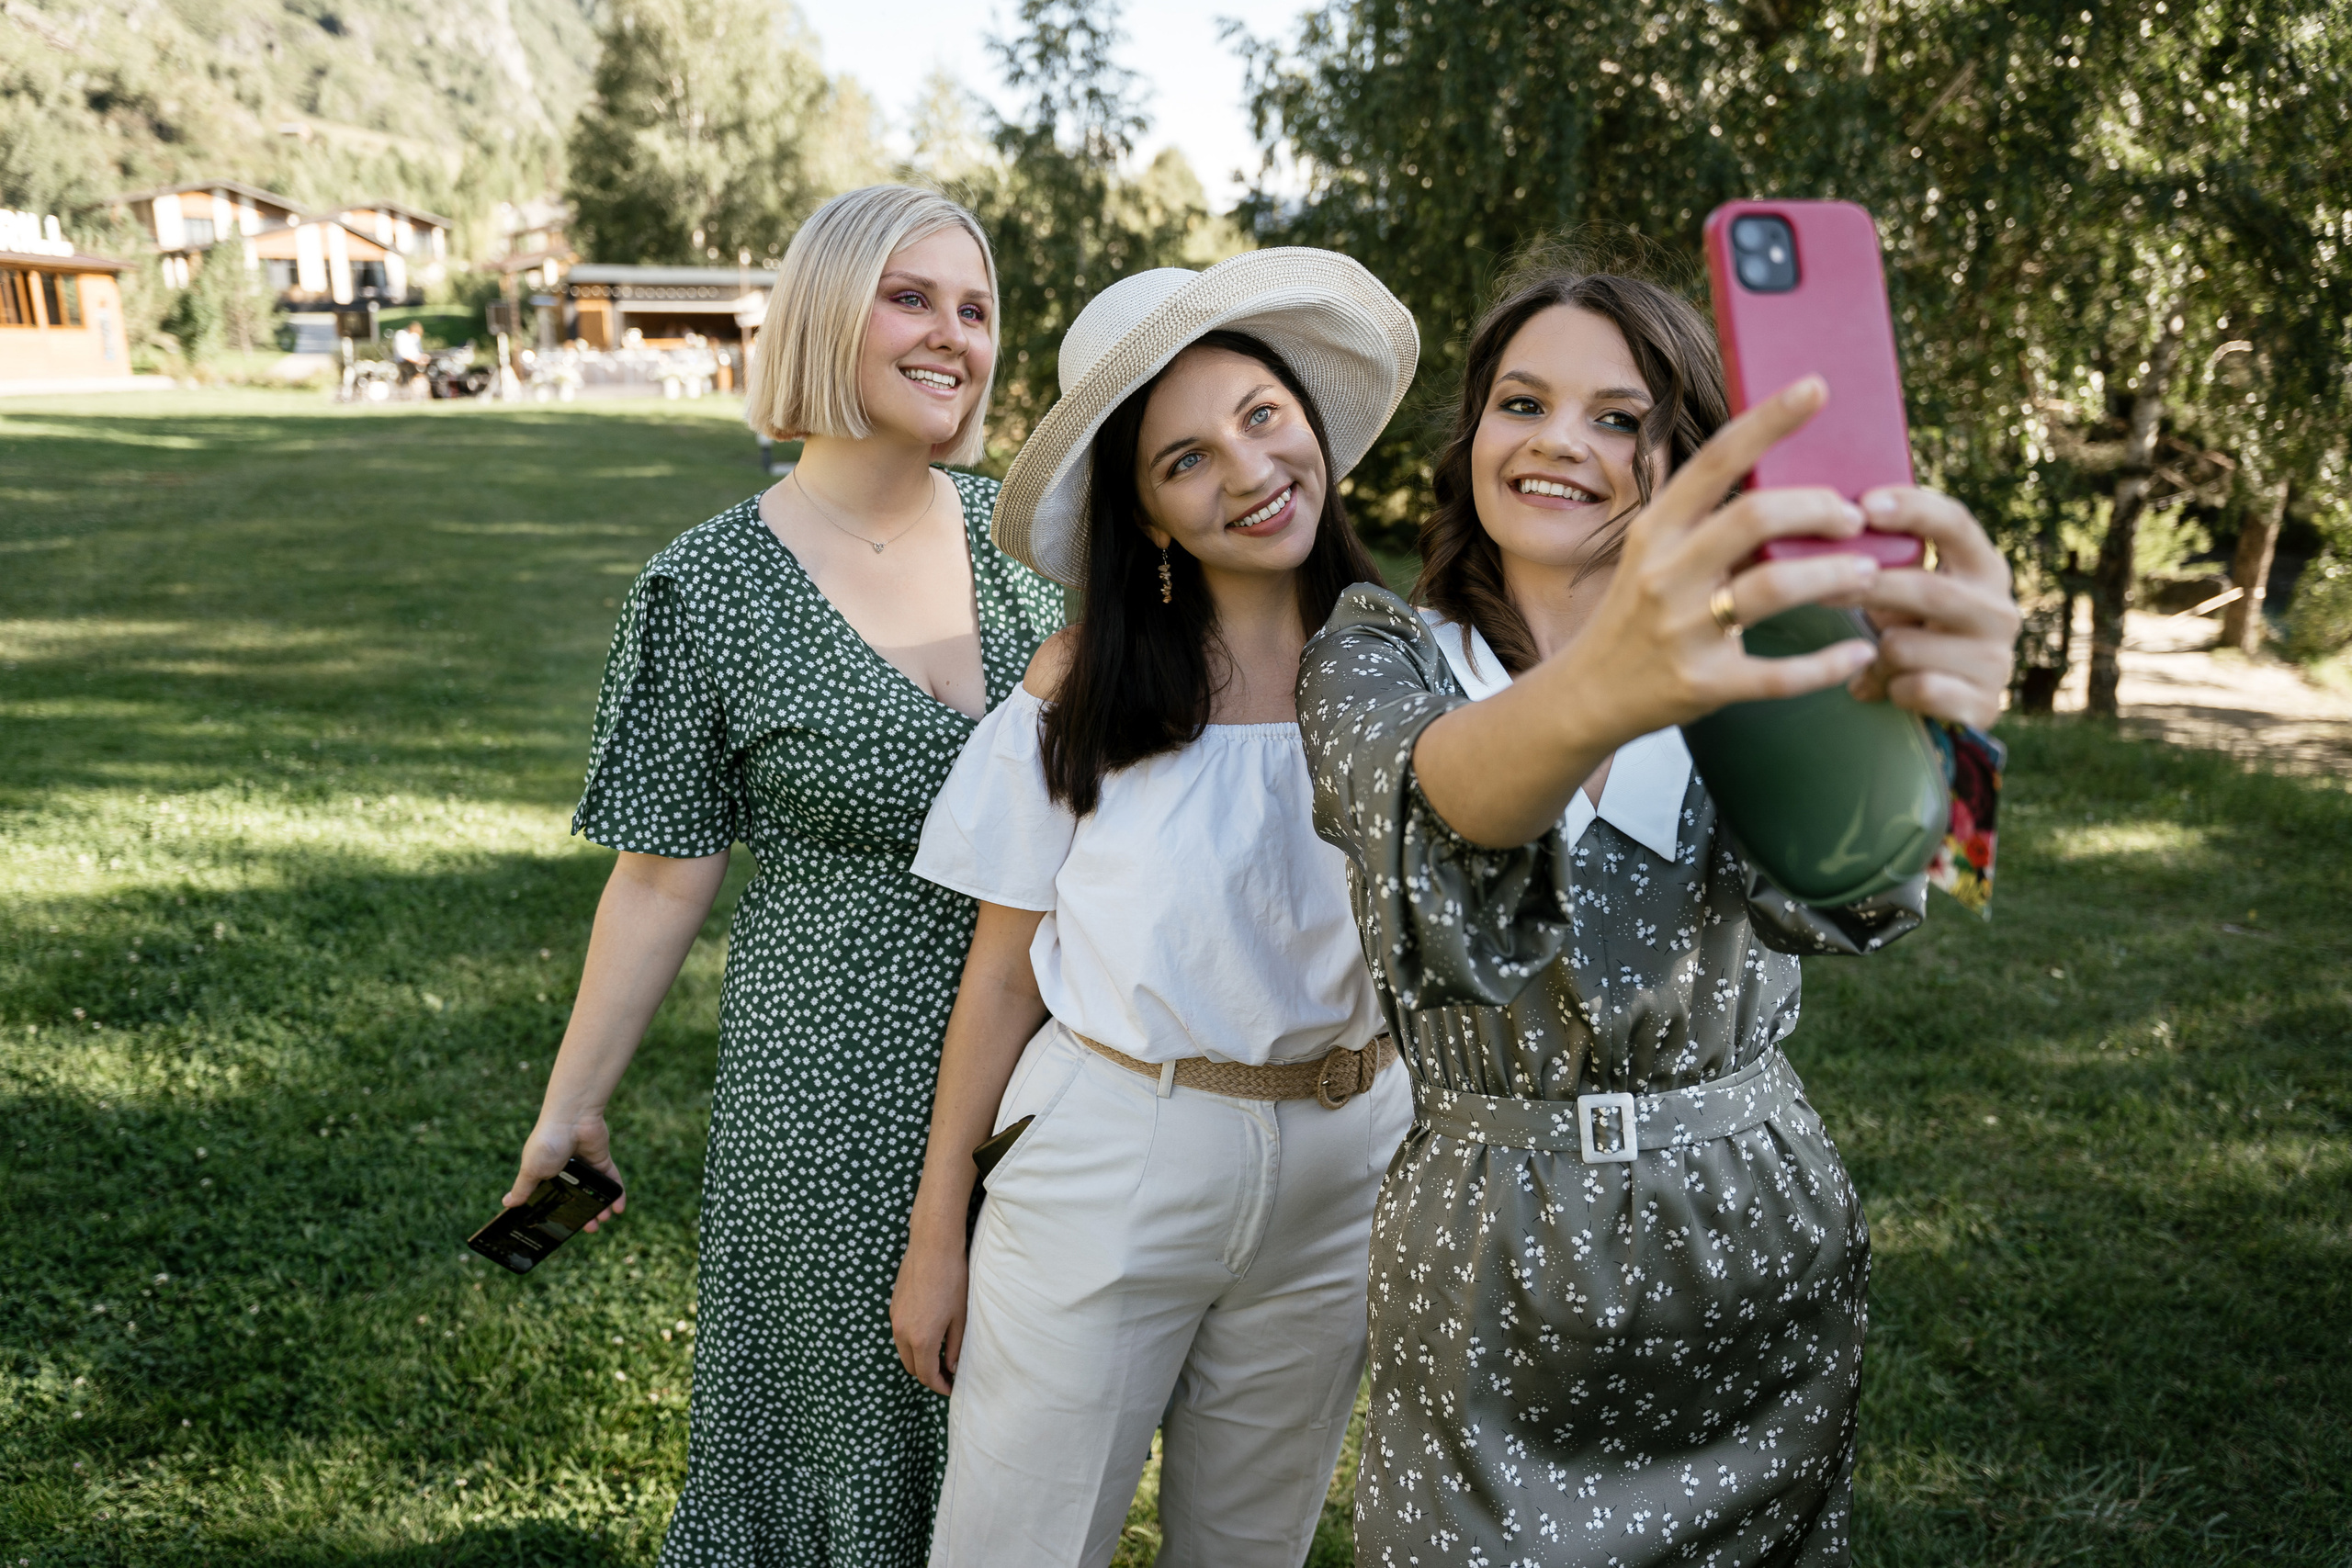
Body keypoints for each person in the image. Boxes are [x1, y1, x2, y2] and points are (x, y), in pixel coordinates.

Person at [1295, 256, 2021, 1565]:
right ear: (1473, 437)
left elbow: (1899, 891)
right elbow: (1436, 810)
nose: (1559, 441)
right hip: (1488, 1265)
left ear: (1680, 456)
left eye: (1619, 418)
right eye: (1523, 402)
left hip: (1753, 1238)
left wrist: (1955, 737)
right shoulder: (1375, 650)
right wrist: (1614, 676)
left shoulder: (1762, 667)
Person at [503, 185, 1063, 1567]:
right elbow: (657, 880)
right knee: (863, 1458)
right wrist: (571, 1111)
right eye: (911, 297)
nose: (954, 336)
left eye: (978, 308)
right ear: (826, 315)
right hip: (833, 1101)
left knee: (1032, 1453)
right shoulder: (711, 584)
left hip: (1058, 1087)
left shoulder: (1038, 553)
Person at [888, 250, 1422, 1568]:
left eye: (1259, 415)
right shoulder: (1086, 686)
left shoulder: (1416, 665)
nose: (1245, 471)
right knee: (1021, 1538)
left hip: (1346, 1159)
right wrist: (936, 1225)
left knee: (1252, 1542)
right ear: (1148, 518)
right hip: (1116, 1149)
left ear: (1308, 419)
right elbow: (1004, 974)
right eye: (1184, 460)